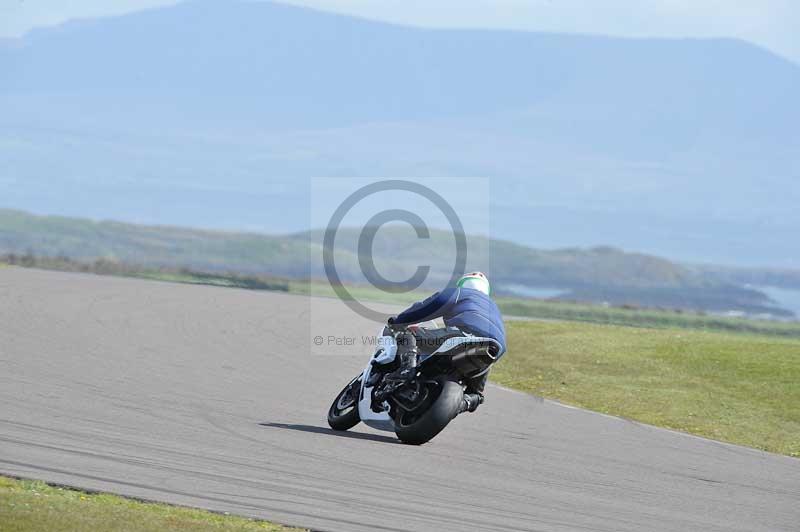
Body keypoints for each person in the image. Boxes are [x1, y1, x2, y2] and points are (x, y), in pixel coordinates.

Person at [385, 272, 506, 413]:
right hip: (493, 349)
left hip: (464, 335)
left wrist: (400, 320)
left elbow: (431, 305)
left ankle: (406, 370)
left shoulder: (462, 292)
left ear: (463, 283)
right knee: (476, 394)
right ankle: (464, 403)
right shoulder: (494, 308)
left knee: (409, 333)